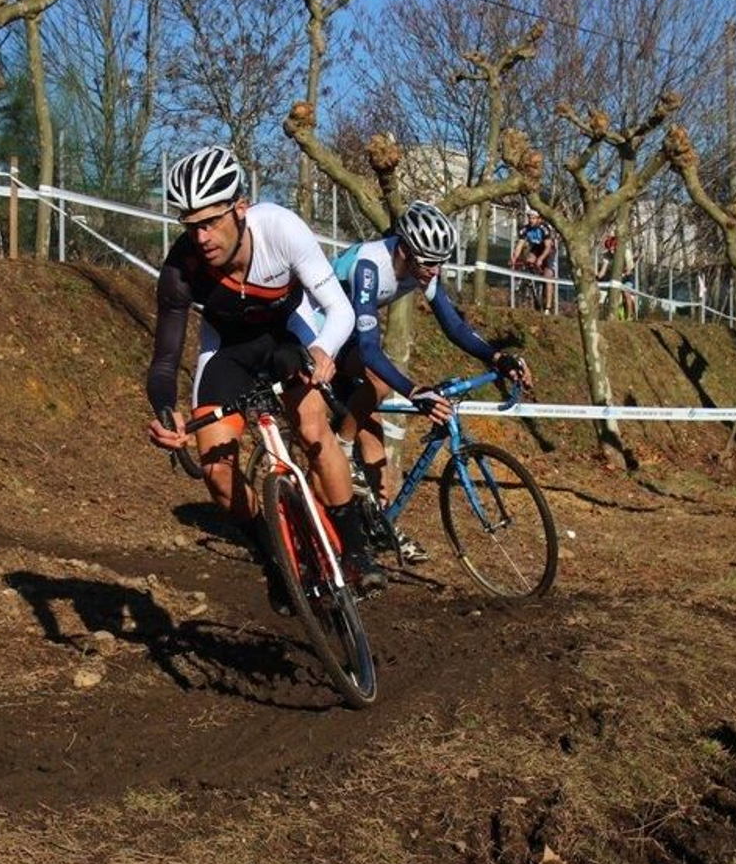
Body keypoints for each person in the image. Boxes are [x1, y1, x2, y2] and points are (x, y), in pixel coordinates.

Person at [145, 146, 385, 608]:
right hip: (228, 350)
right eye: (191, 225)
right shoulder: (180, 273)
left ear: (240, 208)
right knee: (216, 473)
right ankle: (274, 557)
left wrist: (323, 349)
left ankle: (356, 552)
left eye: (211, 221)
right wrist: (163, 412)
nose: (202, 236)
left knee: (314, 430)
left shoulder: (280, 228)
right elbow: (164, 361)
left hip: (287, 336)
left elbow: (339, 309)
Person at [294, 201, 533, 564]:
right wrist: (414, 390)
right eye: (427, 262)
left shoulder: (425, 267)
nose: (434, 271)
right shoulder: (371, 265)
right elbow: (371, 351)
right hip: (318, 335)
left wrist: (496, 357)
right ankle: (339, 452)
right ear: (404, 248)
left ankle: (378, 527)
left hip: (350, 339)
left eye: (440, 262)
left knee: (378, 458)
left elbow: (454, 326)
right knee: (379, 381)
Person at [510, 209, 557, 310]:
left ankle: (548, 307)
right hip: (536, 248)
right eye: (530, 218)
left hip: (548, 250)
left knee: (547, 275)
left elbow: (548, 247)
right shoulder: (525, 229)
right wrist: (514, 258)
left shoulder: (544, 228)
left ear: (539, 219)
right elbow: (519, 246)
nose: (531, 220)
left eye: (533, 218)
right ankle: (530, 283)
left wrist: (540, 259)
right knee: (529, 259)